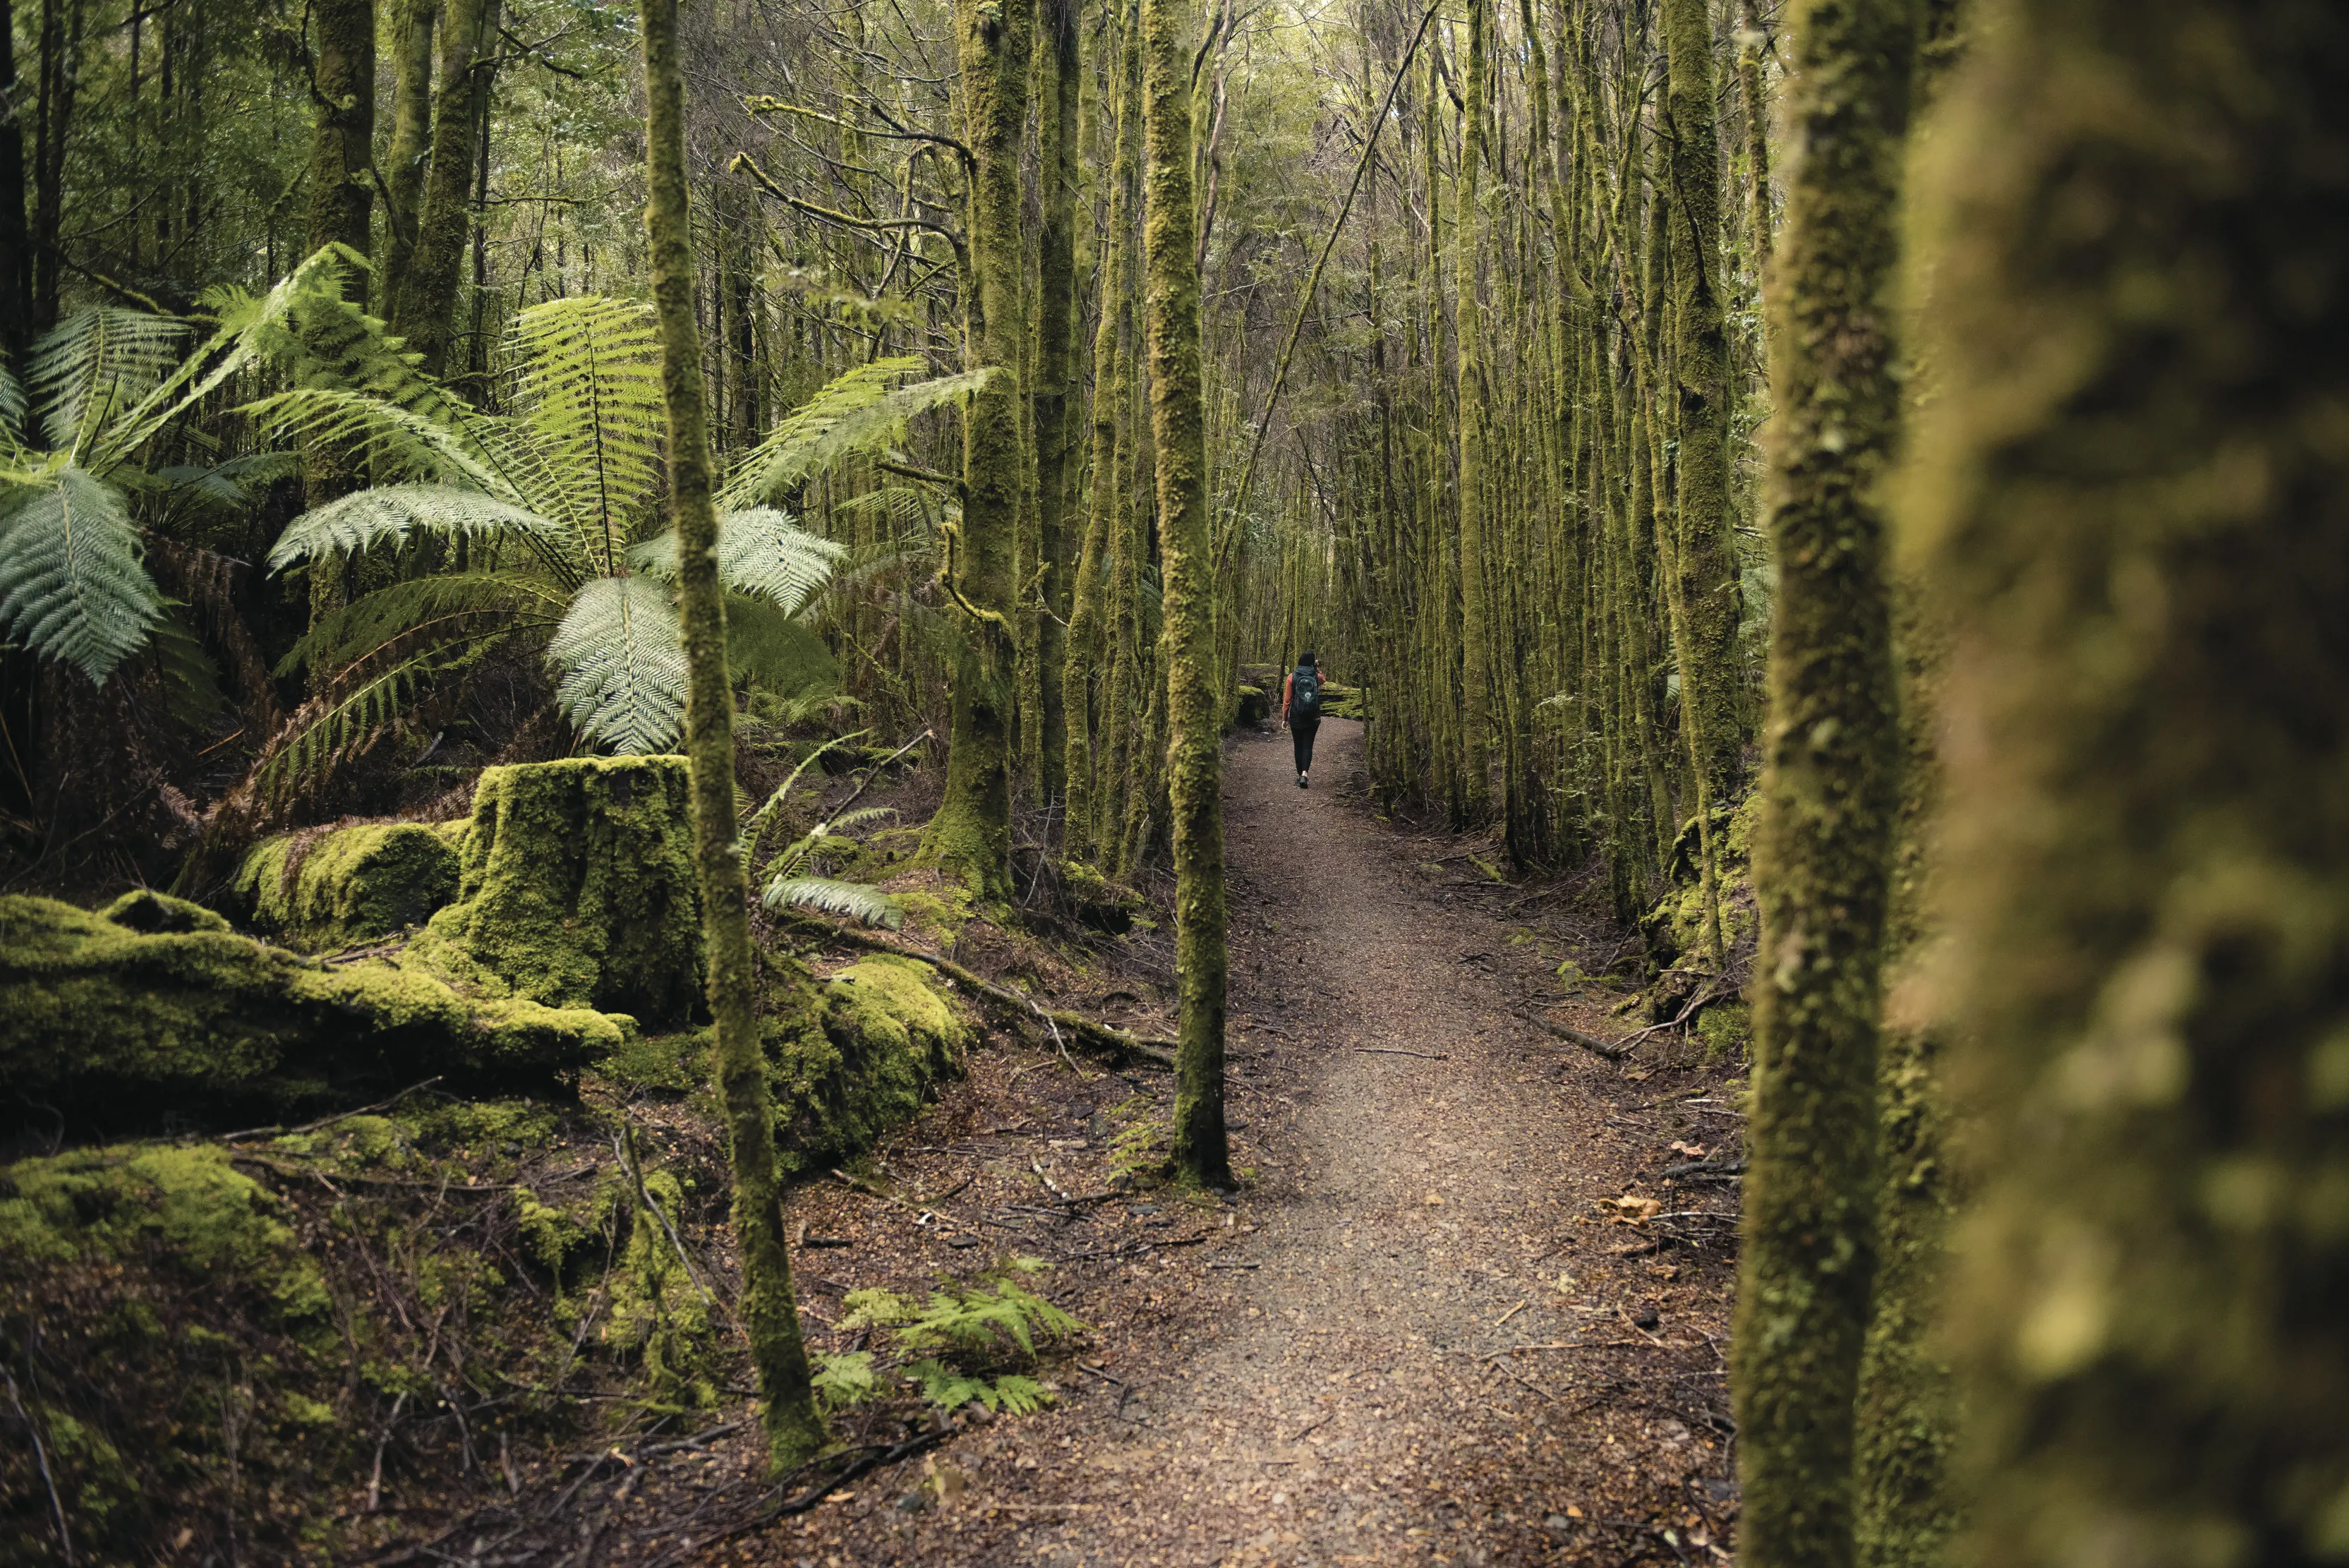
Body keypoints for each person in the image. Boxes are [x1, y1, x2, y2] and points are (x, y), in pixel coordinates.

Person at [1281, 651, 1325, 789]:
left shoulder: (1292, 677)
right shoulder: (1316, 677)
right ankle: (1305, 774)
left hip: (1296, 717)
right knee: (1308, 746)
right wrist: (1316, 668)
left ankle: (1300, 775)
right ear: (1313, 663)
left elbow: (1287, 700)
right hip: (1313, 717)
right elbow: (1324, 679)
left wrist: (1285, 718)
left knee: (1298, 746)